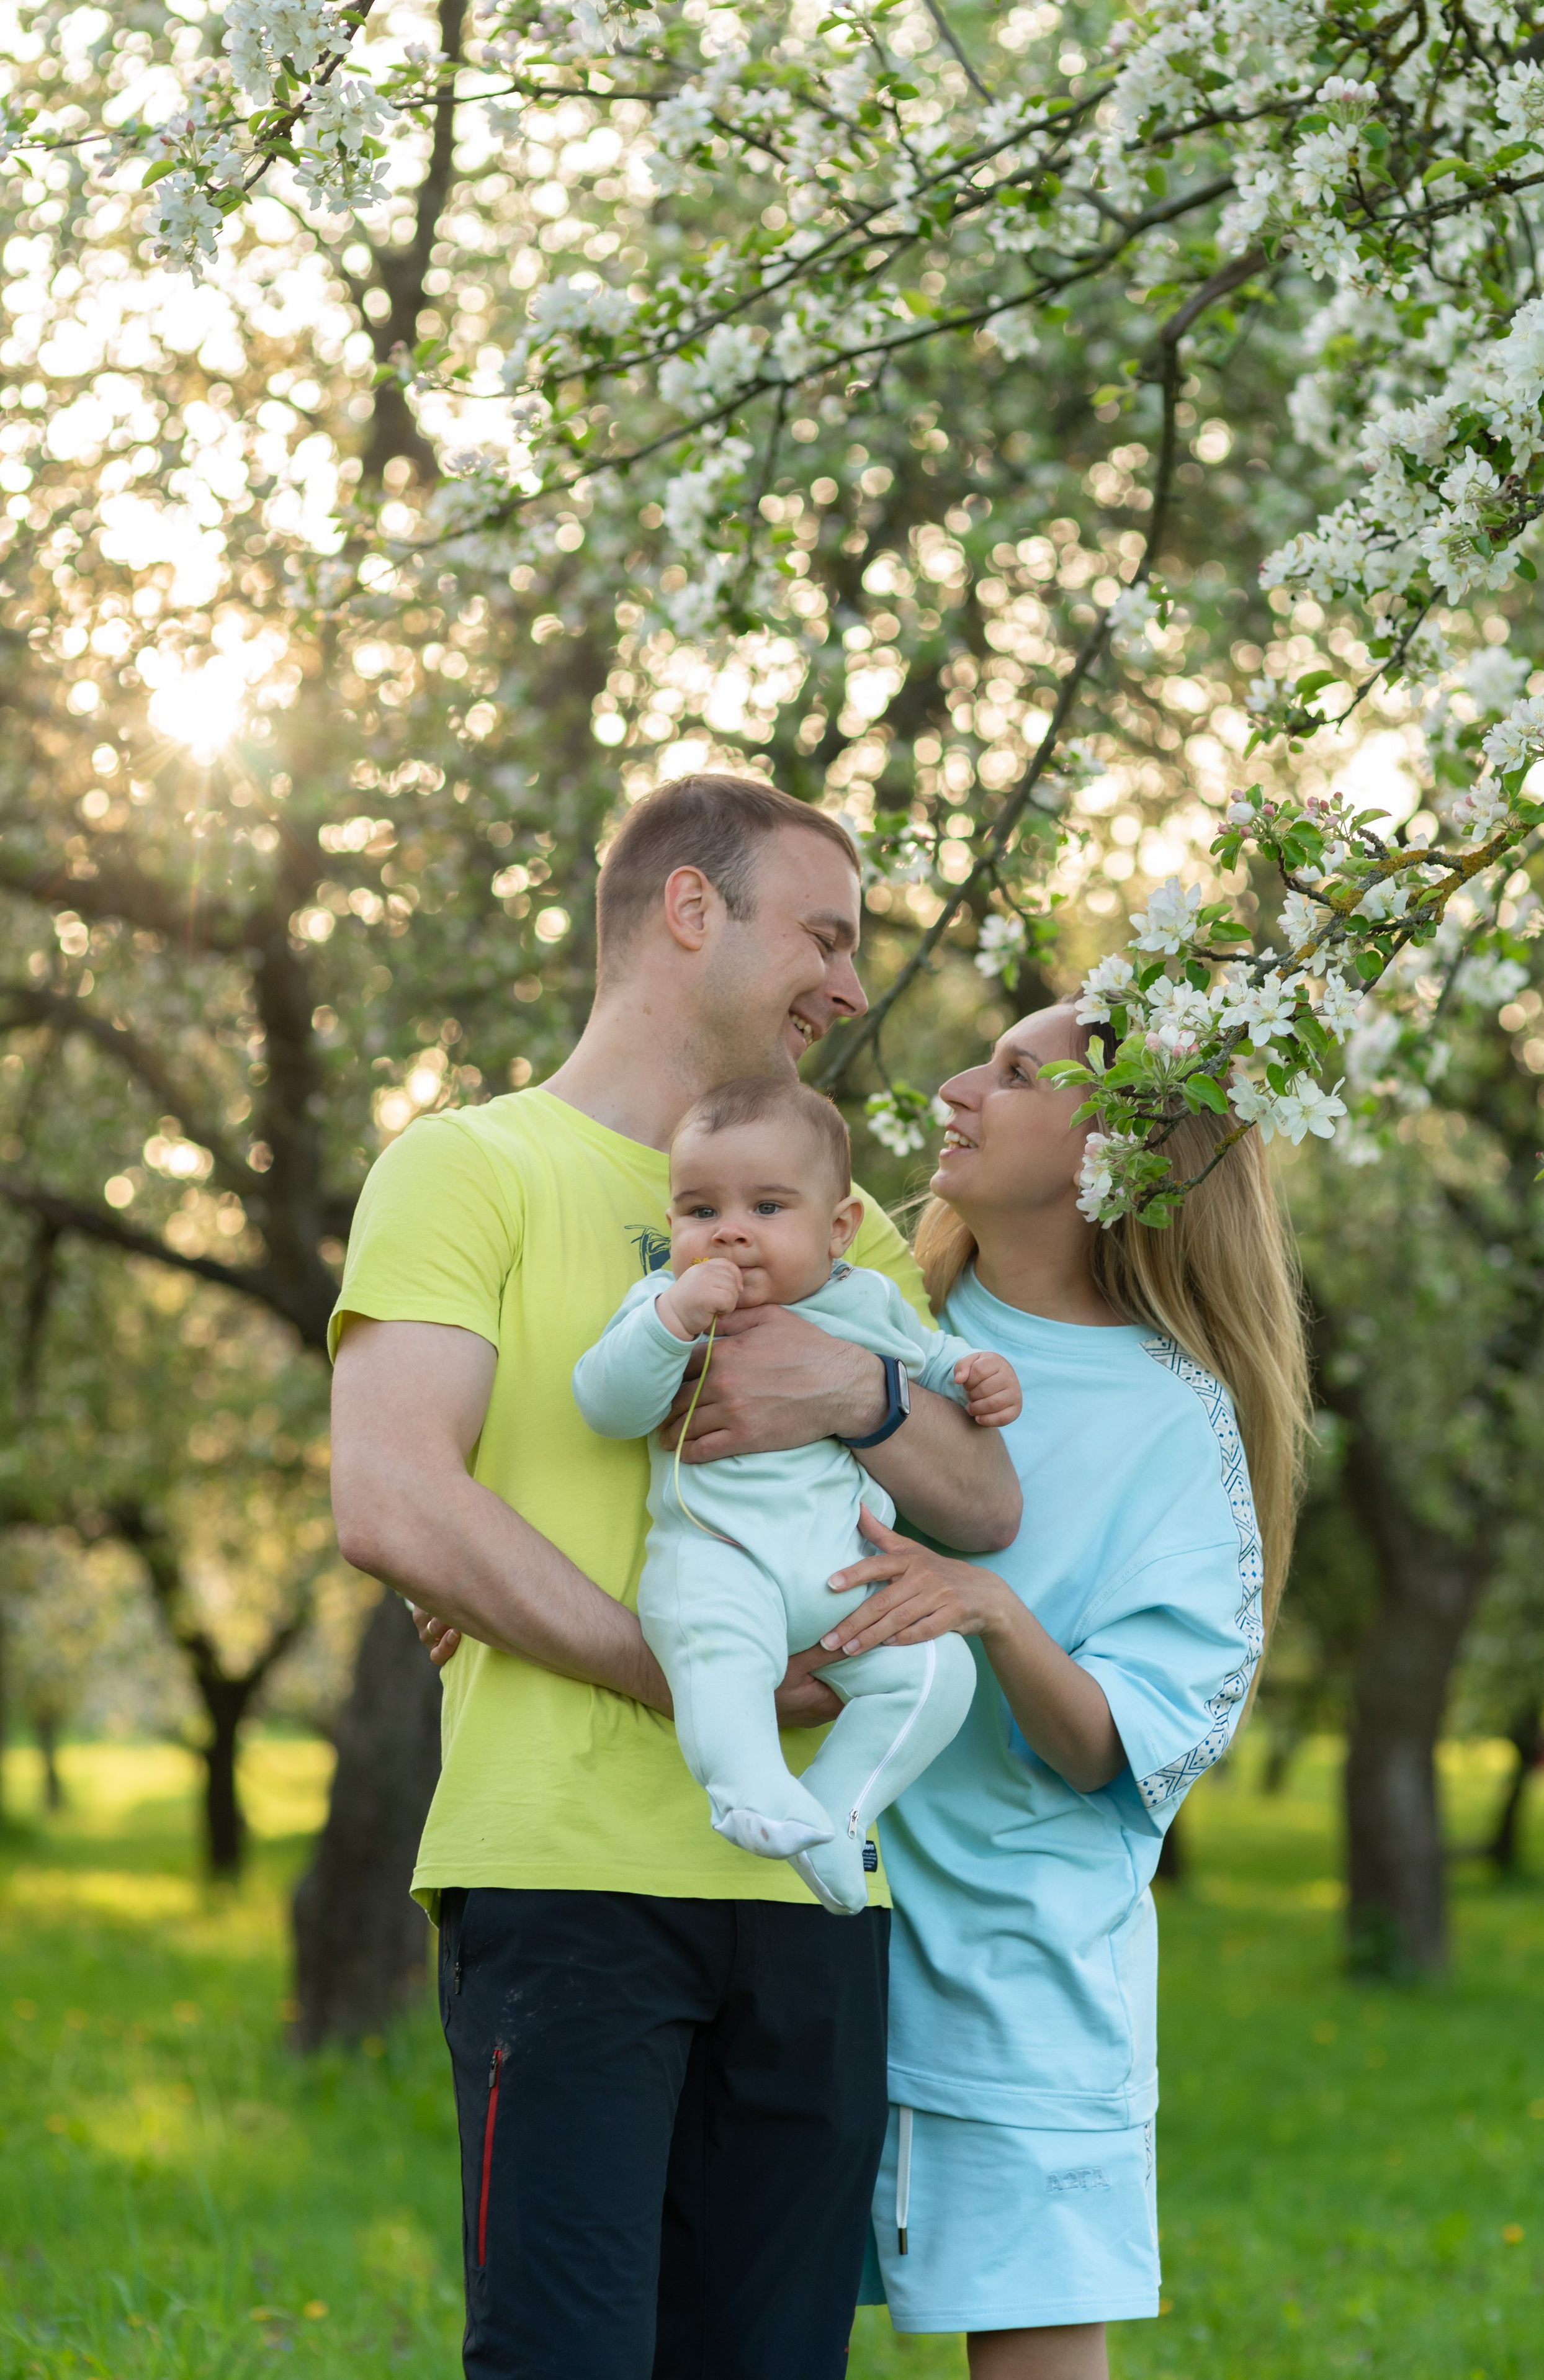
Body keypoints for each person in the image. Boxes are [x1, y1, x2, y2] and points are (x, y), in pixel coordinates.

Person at [328, 773, 1019, 2380]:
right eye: (825, 936)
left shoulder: (829, 1230)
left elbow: (985, 1504)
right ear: (691, 911)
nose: (852, 987)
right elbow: (393, 1492)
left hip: (819, 1900)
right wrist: (689, 1668)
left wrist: (852, 1397)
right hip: (570, 1888)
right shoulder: (468, 1165)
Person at [822, 1002, 1309, 2379]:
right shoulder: (872, 1311)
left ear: (1119, 1156)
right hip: (793, 1930)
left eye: (1016, 1073)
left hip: (1014, 1988)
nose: (956, 1085)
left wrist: (990, 1608)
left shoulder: (1176, 1419)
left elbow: (1123, 1741)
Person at [572, 1072, 1018, 1914]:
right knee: (719, 1662)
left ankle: (840, 1810)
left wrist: (976, 1374)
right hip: (720, 1555)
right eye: (701, 1212)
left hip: (843, 1576)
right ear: (673, 1225)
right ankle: (746, 1787)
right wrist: (670, 1322)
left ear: (839, 1227)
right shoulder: (659, 1306)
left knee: (938, 1672)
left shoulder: (866, 1300)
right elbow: (606, 1404)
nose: (731, 1234)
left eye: (768, 1210)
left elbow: (928, 1363)